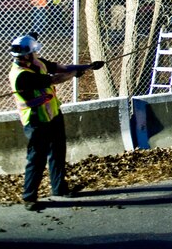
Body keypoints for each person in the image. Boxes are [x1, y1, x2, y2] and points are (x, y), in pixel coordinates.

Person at [9, 34, 104, 211]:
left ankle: (59, 188)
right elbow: (53, 79)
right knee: (36, 159)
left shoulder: (37, 62)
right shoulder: (21, 76)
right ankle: (29, 197)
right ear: (27, 55)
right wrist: (75, 74)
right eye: (34, 52)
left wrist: (88, 66)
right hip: (36, 121)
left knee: (58, 152)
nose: (37, 54)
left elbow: (61, 68)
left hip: (53, 115)